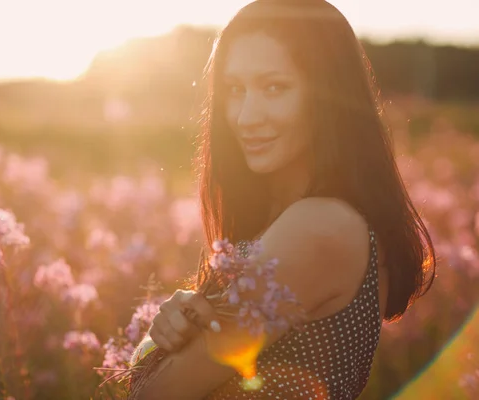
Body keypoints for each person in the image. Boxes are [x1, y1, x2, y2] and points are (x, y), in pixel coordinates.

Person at [129, 0, 436, 398]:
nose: (245, 116)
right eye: (235, 90)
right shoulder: (296, 221)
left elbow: (155, 393)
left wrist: (157, 345)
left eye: (275, 87)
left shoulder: (319, 228)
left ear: (329, 96)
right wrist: (183, 320)